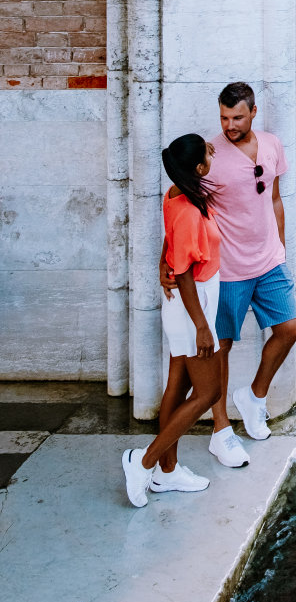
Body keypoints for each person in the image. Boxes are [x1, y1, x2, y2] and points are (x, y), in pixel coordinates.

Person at [165, 81, 296, 466]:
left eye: (237, 117)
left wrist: (281, 248)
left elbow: (274, 198)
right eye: (224, 118)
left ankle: (254, 397)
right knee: (220, 348)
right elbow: (180, 202)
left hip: (269, 261)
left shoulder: (272, 145)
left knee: (290, 328)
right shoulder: (210, 155)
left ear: (253, 112)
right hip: (228, 270)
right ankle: (220, 430)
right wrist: (166, 259)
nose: (230, 125)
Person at [122, 135, 222, 507]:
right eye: (207, 152)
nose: (212, 151)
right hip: (190, 306)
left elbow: (170, 242)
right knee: (209, 392)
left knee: (177, 384)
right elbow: (183, 274)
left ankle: (167, 472)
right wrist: (201, 326)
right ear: (198, 168)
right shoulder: (192, 212)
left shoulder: (175, 194)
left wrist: (163, 261)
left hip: (186, 303)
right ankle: (144, 461)